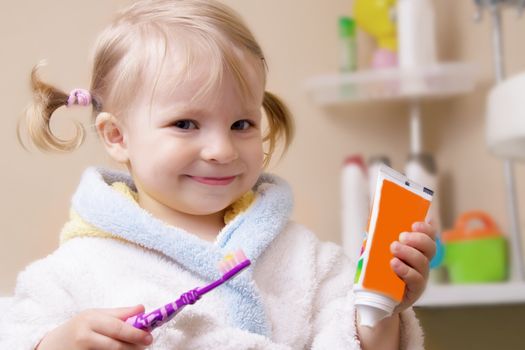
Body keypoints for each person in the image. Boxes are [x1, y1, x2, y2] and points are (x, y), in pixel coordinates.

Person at [0, 0, 436, 349]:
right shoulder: (76, 269)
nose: (222, 150)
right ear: (117, 136)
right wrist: (57, 343)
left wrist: (381, 310)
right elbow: (18, 334)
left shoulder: (307, 260)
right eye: (186, 124)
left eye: (241, 125)